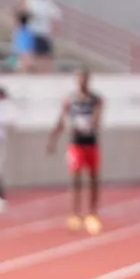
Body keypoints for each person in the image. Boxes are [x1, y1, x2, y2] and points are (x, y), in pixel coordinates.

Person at [48, 69, 103, 234]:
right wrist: (53, 140)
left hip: (91, 143)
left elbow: (96, 119)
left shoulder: (95, 99)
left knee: (93, 179)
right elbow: (61, 120)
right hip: (76, 145)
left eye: (85, 79)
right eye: (79, 79)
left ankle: (92, 213)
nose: (82, 82)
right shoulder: (70, 100)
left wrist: (88, 125)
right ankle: (75, 214)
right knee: (75, 179)